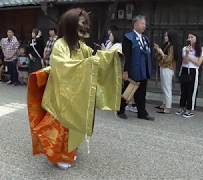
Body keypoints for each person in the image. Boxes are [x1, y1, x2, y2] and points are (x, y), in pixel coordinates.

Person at [27, 8, 122, 170]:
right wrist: (91, 63)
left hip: (76, 94)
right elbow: (63, 66)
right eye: (80, 28)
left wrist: (111, 54)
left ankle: (71, 151)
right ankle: (58, 156)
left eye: (85, 27)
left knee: (75, 125)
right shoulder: (60, 45)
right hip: (61, 94)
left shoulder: (81, 46)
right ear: (70, 27)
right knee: (61, 127)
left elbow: (94, 58)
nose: (83, 32)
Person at [117, 15, 154, 121]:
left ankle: (142, 112)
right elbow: (126, 56)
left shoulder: (145, 38)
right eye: (142, 23)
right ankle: (120, 110)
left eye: (145, 24)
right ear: (135, 24)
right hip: (133, 69)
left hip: (143, 70)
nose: (144, 26)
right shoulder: (128, 37)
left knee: (142, 93)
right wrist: (125, 71)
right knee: (127, 91)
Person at [176, 33, 203, 118]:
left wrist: (190, 57)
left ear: (196, 38)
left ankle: (189, 109)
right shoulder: (185, 48)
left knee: (191, 91)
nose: (190, 38)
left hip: (193, 71)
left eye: (192, 37)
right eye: (188, 37)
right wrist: (187, 53)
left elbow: (199, 63)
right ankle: (181, 108)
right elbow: (184, 61)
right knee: (183, 90)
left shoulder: (201, 49)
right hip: (185, 69)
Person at [154, 31, 179, 114]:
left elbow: (168, 60)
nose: (165, 37)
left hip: (168, 68)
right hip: (163, 67)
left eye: (166, 36)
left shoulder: (172, 46)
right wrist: (158, 51)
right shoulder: (167, 45)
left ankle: (168, 107)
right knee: (164, 87)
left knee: (167, 88)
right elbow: (159, 57)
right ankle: (164, 104)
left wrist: (160, 52)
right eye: (165, 35)